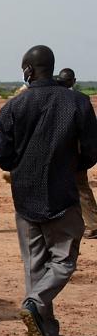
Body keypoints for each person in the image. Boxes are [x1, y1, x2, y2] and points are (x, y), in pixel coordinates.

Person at [0, 46, 97, 336]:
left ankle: (46, 329)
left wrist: (21, 169)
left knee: (34, 264)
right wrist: (74, 167)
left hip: (25, 198)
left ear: (27, 70)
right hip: (63, 195)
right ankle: (36, 305)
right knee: (63, 261)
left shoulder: (15, 106)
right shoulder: (78, 102)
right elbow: (92, 148)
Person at [57, 68, 97, 238]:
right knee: (80, 188)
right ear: (73, 81)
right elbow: (90, 130)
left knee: (74, 188)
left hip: (63, 152)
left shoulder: (56, 98)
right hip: (76, 153)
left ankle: (92, 224)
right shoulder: (82, 99)